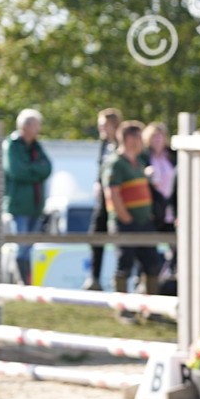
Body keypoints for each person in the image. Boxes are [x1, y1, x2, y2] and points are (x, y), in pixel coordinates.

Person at [103, 121, 164, 310]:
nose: (141, 141)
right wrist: (125, 218)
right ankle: (122, 309)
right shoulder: (116, 163)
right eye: (137, 137)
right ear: (128, 138)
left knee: (152, 264)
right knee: (125, 266)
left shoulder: (139, 162)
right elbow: (112, 193)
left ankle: (150, 308)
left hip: (144, 223)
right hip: (125, 224)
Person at [3, 109, 52, 285]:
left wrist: (31, 170)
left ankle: (25, 282)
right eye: (36, 125)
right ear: (26, 126)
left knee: (29, 246)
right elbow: (17, 171)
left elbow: (47, 168)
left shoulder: (36, 146)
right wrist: (35, 171)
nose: (39, 129)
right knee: (21, 246)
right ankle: (22, 282)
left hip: (35, 205)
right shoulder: (12, 145)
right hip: (19, 205)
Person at [86, 108, 121, 291]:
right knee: (96, 234)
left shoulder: (122, 144)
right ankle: (94, 278)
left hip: (119, 199)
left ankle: (120, 279)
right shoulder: (103, 145)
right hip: (103, 199)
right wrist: (97, 183)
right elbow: (102, 170)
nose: (101, 128)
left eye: (104, 125)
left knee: (120, 239)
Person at [141, 122, 177, 233]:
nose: (157, 140)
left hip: (171, 203)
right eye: (154, 136)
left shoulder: (172, 156)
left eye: (160, 136)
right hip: (154, 203)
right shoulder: (144, 157)